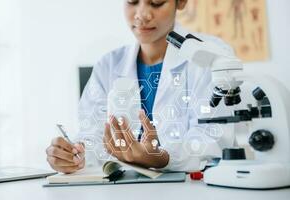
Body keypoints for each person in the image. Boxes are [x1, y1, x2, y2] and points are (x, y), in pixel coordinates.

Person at [46, 0, 235, 174]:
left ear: (181, 2)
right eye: (132, 1)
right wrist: (75, 154)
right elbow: (93, 134)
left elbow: (214, 136)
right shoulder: (108, 65)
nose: (142, 14)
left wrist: (163, 157)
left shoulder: (211, 56)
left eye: (156, 2)